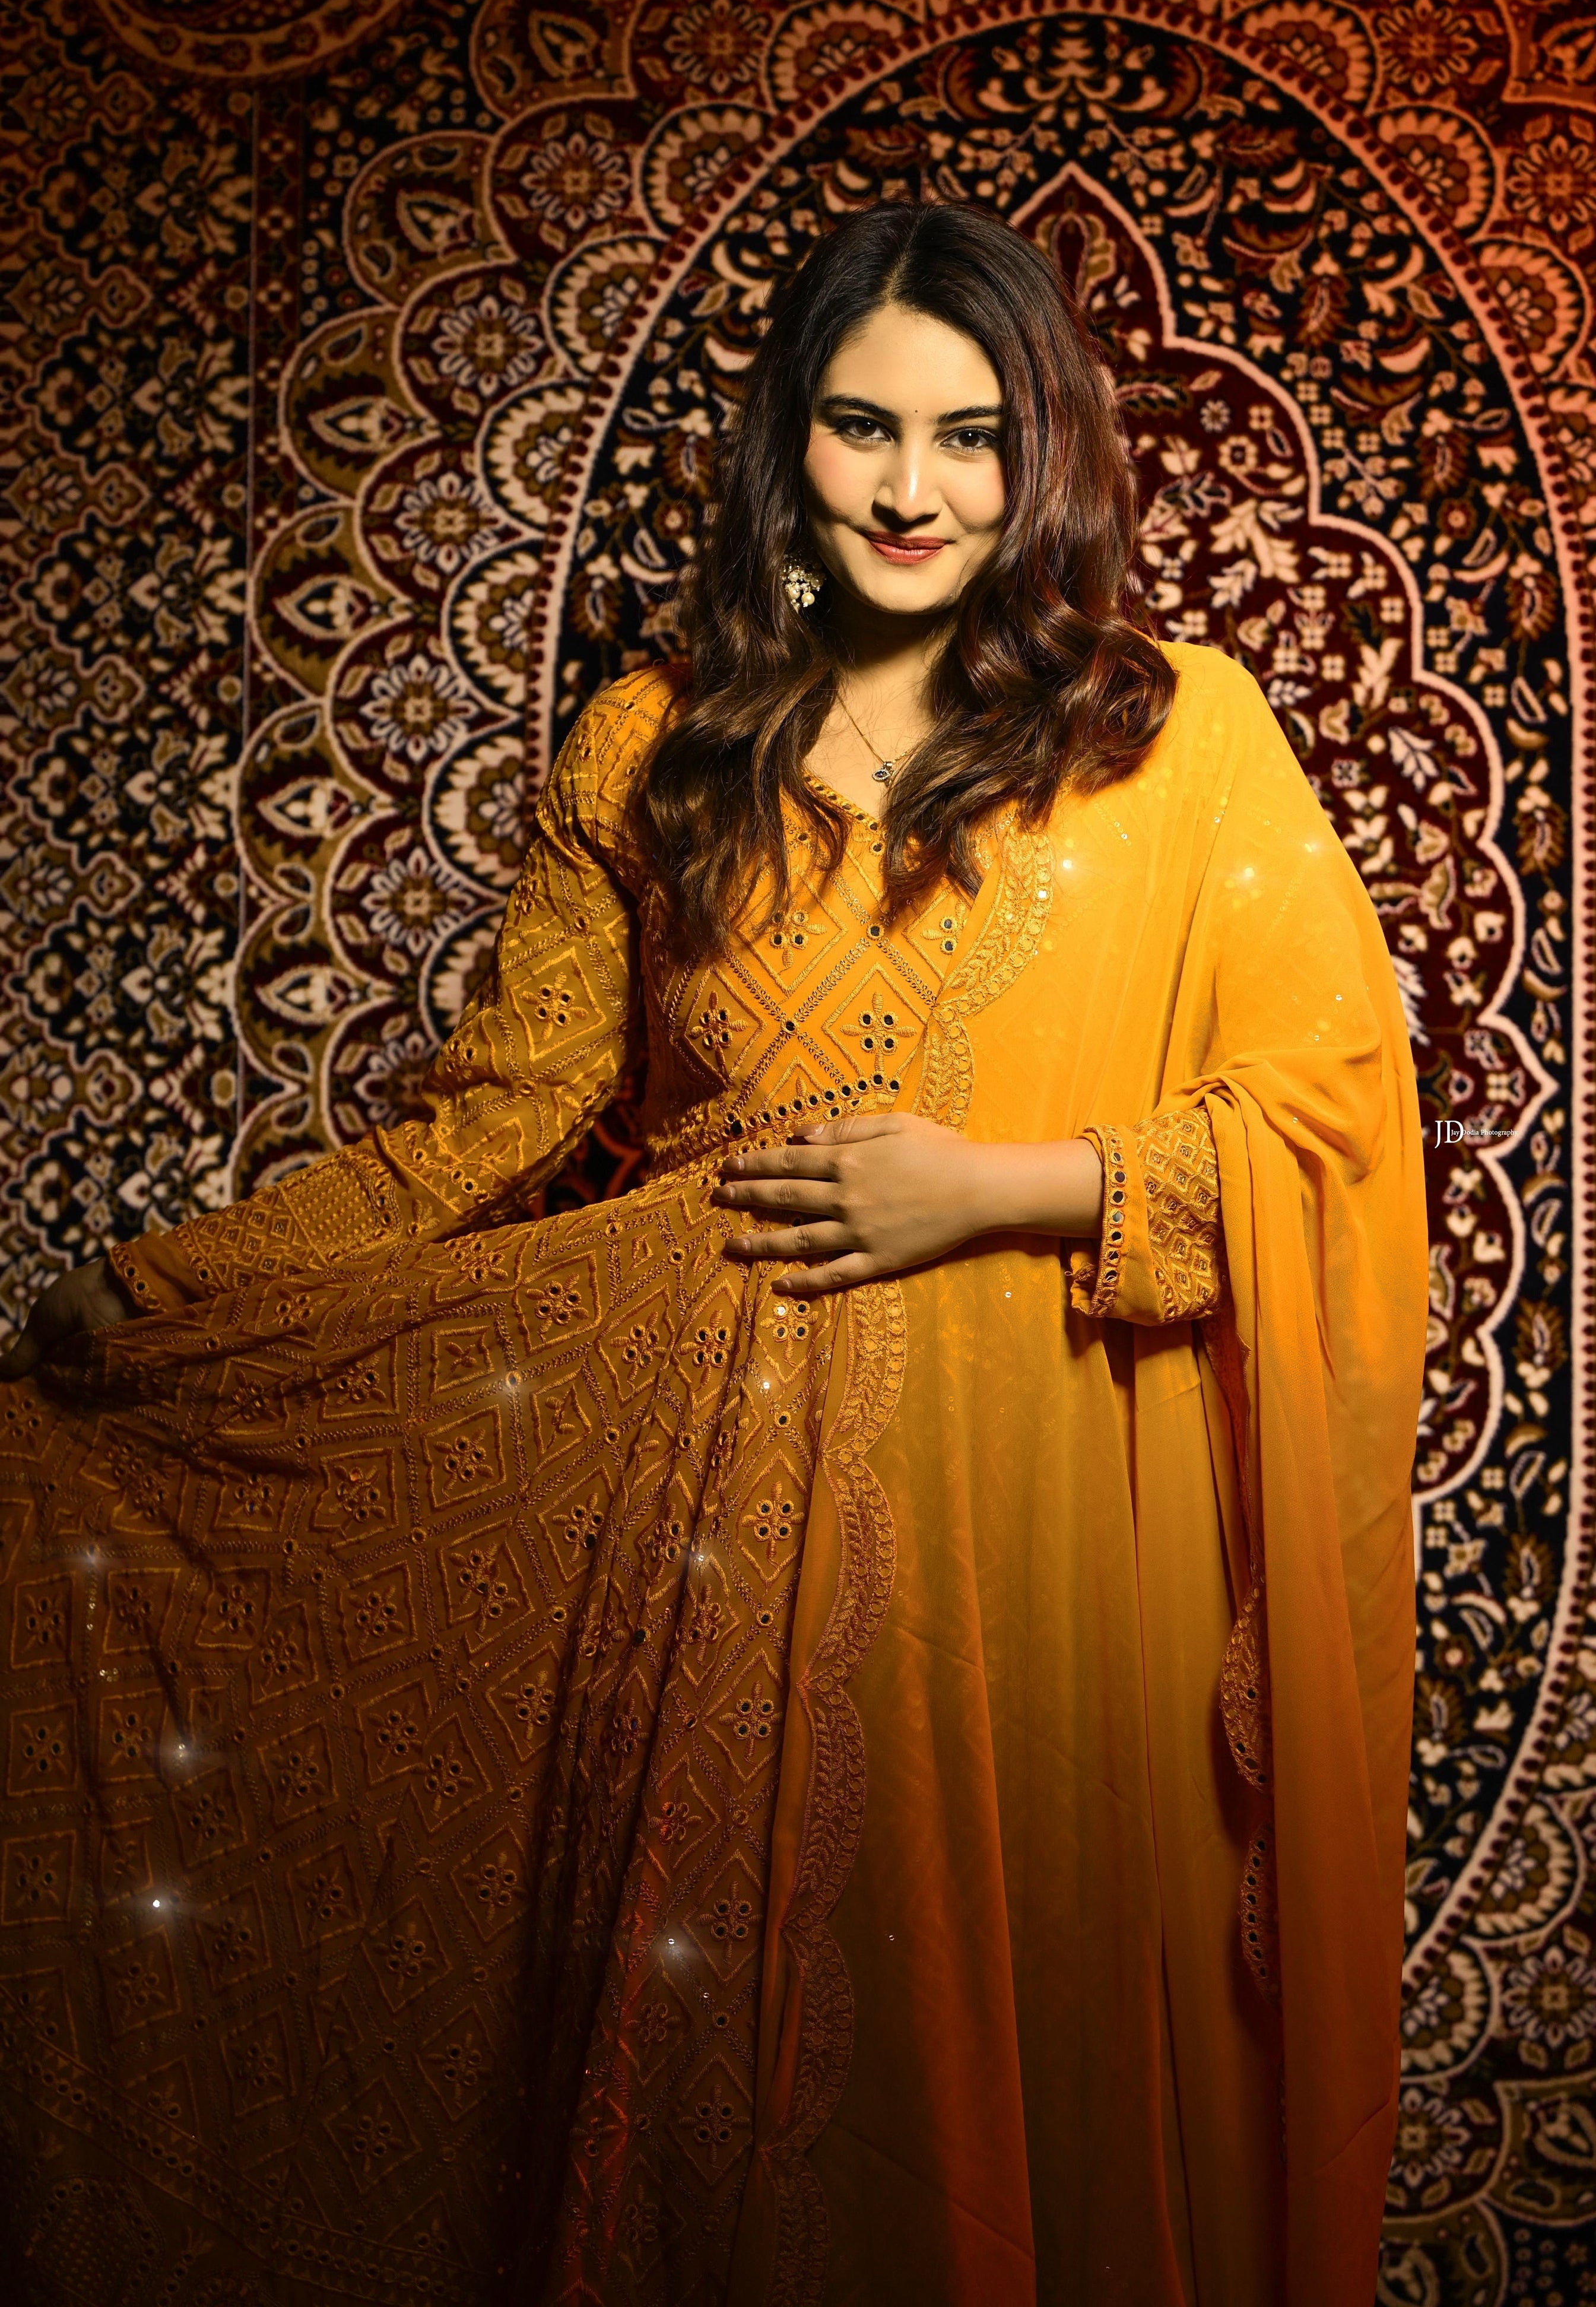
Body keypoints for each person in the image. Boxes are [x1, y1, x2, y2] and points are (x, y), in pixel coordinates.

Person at [0, 202, 1427, 2307]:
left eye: (970, 436)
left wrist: (996, 1186)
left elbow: (1329, 1121)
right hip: (691, 1544)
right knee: (740, 2126)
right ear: (788, 437)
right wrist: (183, 1293)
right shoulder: (654, 744)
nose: (914, 490)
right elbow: (485, 1130)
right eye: (863, 429)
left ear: (1044, 456)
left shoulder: (1166, 735)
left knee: (999, 2083)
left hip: (1036, 1528)